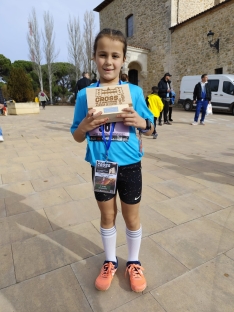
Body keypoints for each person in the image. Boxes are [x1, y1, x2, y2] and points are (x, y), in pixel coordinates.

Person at [71, 28, 154, 293]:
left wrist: (141, 122)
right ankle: (109, 261)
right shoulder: (85, 96)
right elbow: (76, 135)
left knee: (131, 218)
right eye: (103, 54)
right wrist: (84, 125)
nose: (109, 61)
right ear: (94, 57)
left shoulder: (134, 92)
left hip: (130, 165)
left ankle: (133, 262)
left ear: (123, 59)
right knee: (107, 216)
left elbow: (151, 127)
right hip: (102, 167)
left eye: (115, 55)